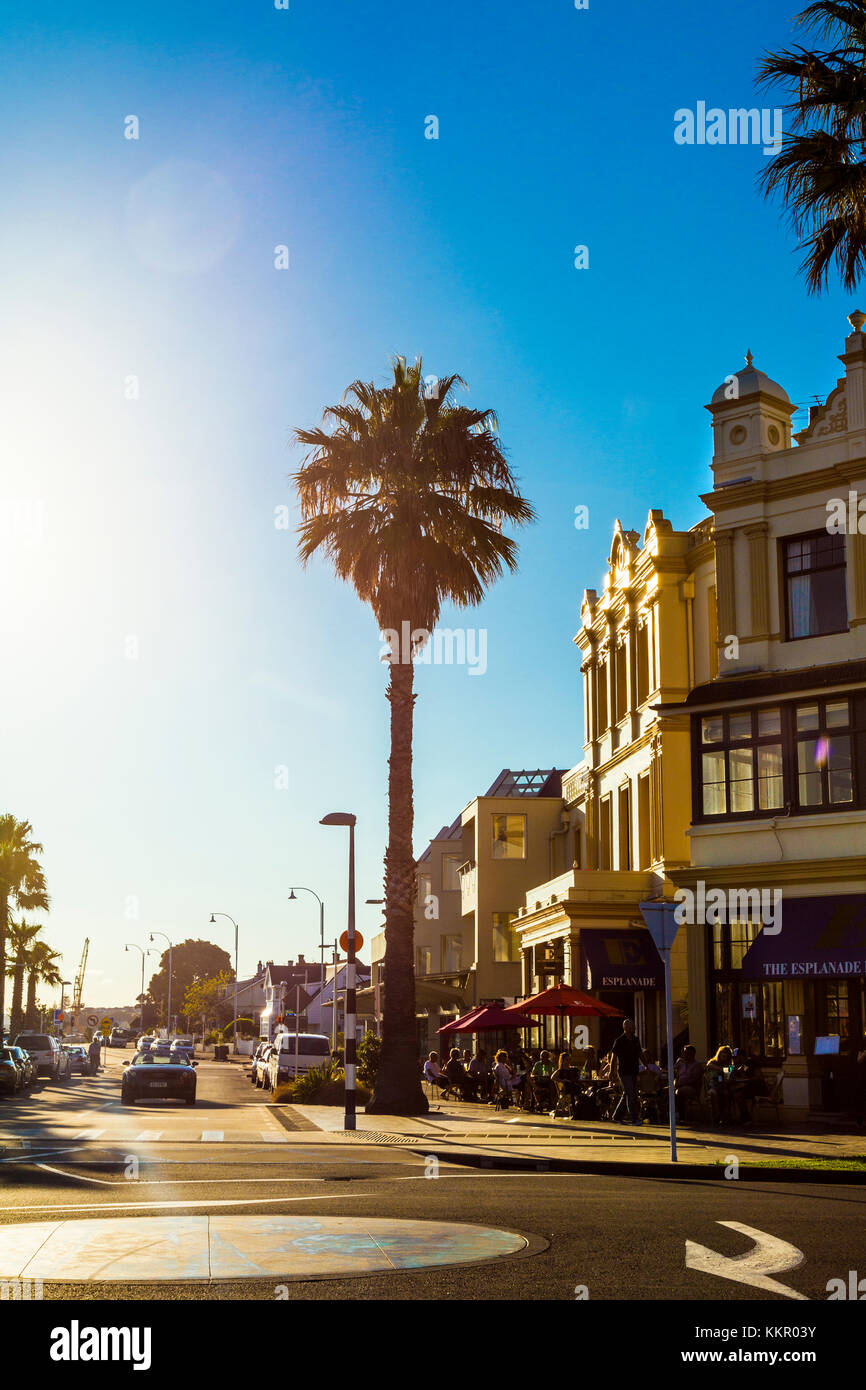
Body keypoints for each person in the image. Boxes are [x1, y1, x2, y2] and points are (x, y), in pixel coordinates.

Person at [611, 1019, 643, 1125]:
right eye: (630, 1026)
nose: (632, 1028)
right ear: (625, 1028)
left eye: (633, 1026)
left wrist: (646, 1065)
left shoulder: (636, 1040)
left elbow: (640, 1054)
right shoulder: (619, 1040)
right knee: (631, 1094)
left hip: (634, 1070)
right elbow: (614, 1056)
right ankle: (634, 1118)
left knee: (627, 1094)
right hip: (624, 1071)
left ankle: (617, 1116)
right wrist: (612, 1071)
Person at [705, 1045, 735, 1126]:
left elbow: (729, 1076)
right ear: (719, 1053)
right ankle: (717, 1116)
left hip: (724, 1085)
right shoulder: (713, 1062)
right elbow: (708, 1065)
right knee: (714, 1093)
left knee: (726, 1094)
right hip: (713, 1085)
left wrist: (728, 1073)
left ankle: (725, 1117)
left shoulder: (730, 1065)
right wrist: (721, 1069)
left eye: (726, 1054)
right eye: (723, 1053)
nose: (724, 1055)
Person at [673, 1045, 704, 1123]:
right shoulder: (681, 1064)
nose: (685, 1055)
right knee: (665, 1091)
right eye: (684, 1053)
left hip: (692, 1088)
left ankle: (681, 1117)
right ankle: (667, 1115)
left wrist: (681, 1084)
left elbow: (695, 1080)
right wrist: (677, 1064)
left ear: (693, 1054)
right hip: (679, 1086)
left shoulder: (696, 1065)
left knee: (679, 1091)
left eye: (687, 1053)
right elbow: (675, 1074)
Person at [855, 1035, 866, 1128]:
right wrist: (865, 1053)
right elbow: (858, 1060)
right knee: (862, 1098)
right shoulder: (863, 1044)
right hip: (863, 1076)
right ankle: (860, 1120)